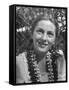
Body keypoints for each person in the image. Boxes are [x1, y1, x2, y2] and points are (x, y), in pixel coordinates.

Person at [16, 13, 66, 83]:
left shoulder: (59, 58)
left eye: (50, 34)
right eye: (40, 32)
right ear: (31, 34)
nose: (44, 38)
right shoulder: (19, 62)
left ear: (54, 40)